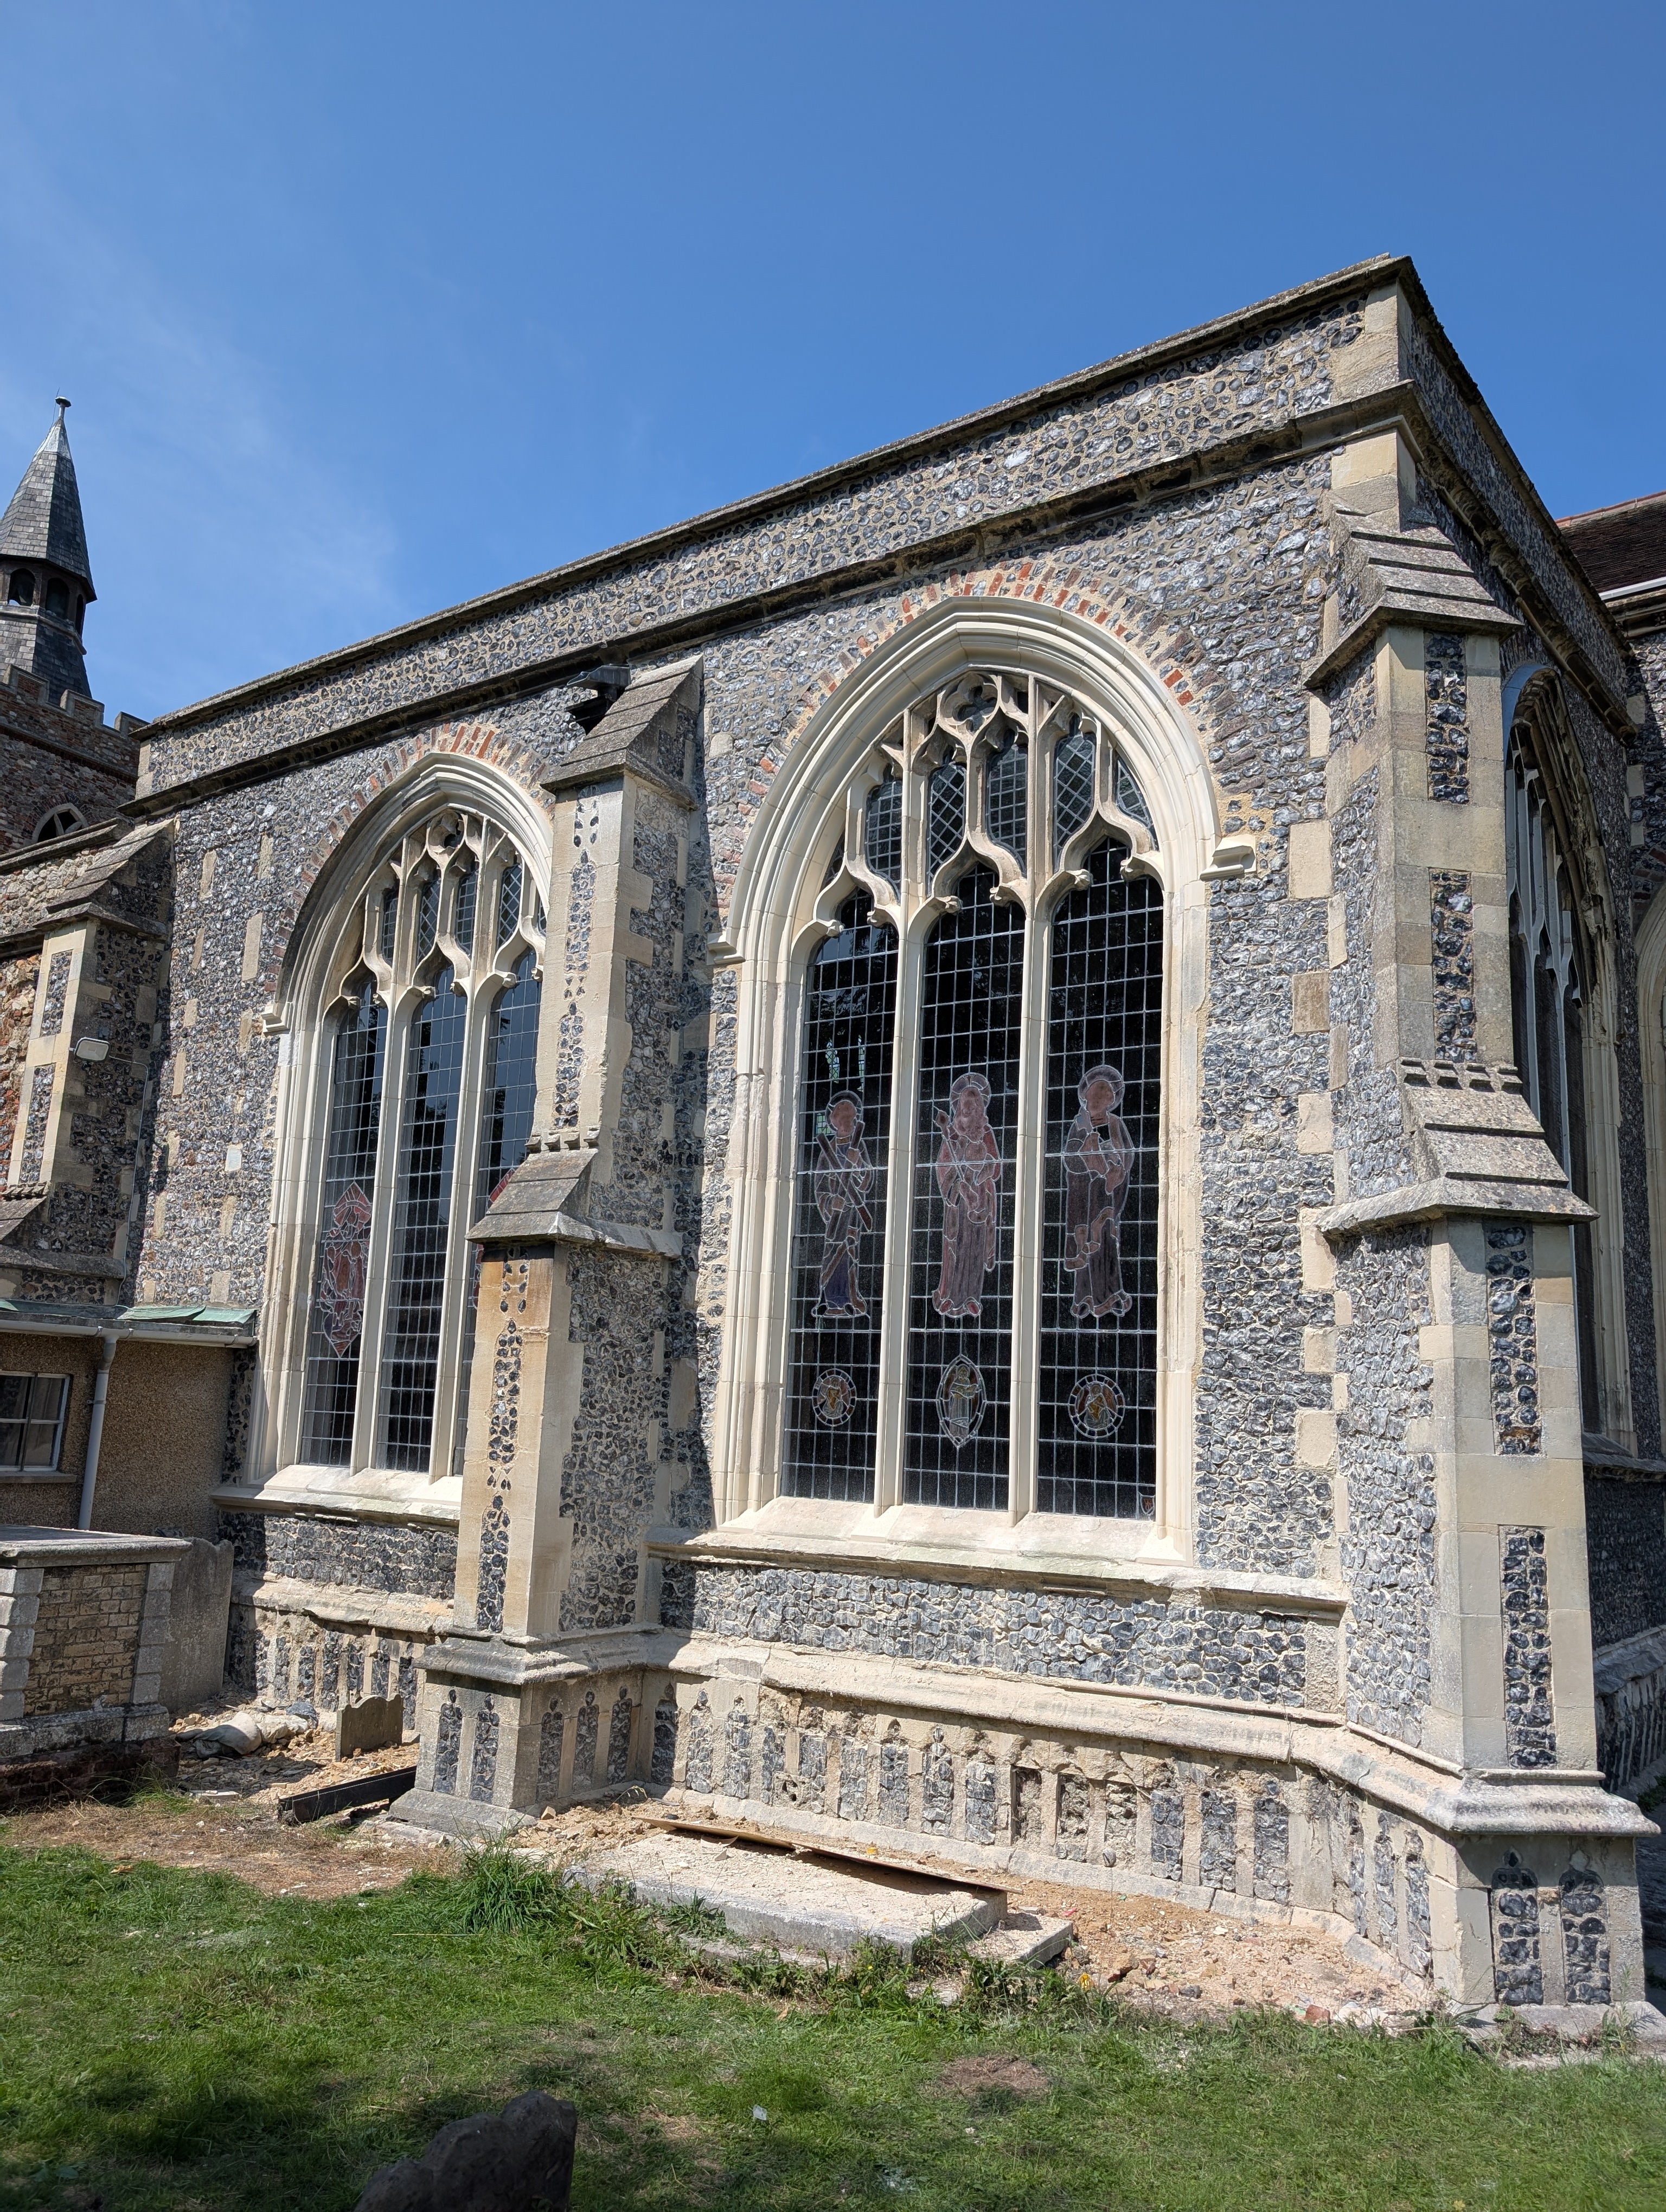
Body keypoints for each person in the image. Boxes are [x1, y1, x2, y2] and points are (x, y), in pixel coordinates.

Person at [1062, 1063, 1135, 1319]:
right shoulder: (1080, 1124)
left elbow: (1127, 1155)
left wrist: (1114, 1168)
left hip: (1106, 1196)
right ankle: (1084, 1298)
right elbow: (1069, 1156)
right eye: (1093, 1095)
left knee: (1106, 1244)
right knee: (1086, 1247)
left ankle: (1112, 1294)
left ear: (1110, 1101)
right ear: (1086, 1098)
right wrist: (1088, 1154)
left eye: (1103, 1096)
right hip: (1084, 1199)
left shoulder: (1116, 1124)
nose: (1096, 1100)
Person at [933, 1071, 1002, 1319]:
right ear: (959, 1107)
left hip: (981, 1199)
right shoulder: (951, 1134)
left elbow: (996, 1165)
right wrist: (961, 1186)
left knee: (976, 1246)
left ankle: (972, 1296)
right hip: (959, 1203)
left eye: (975, 1103)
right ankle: (951, 1296)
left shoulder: (985, 1132)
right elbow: (943, 1167)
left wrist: (980, 1175)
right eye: (966, 1104)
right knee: (957, 1247)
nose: (970, 1109)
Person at [813, 1090, 874, 1317]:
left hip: (852, 1214)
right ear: (834, 1121)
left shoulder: (859, 1148)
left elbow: (867, 1181)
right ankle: (827, 1300)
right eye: (842, 1117)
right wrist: (830, 1203)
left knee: (849, 1252)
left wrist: (858, 1165)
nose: (847, 1122)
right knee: (832, 1252)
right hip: (835, 1215)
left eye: (851, 1117)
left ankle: (848, 1298)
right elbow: (820, 1185)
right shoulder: (826, 1151)